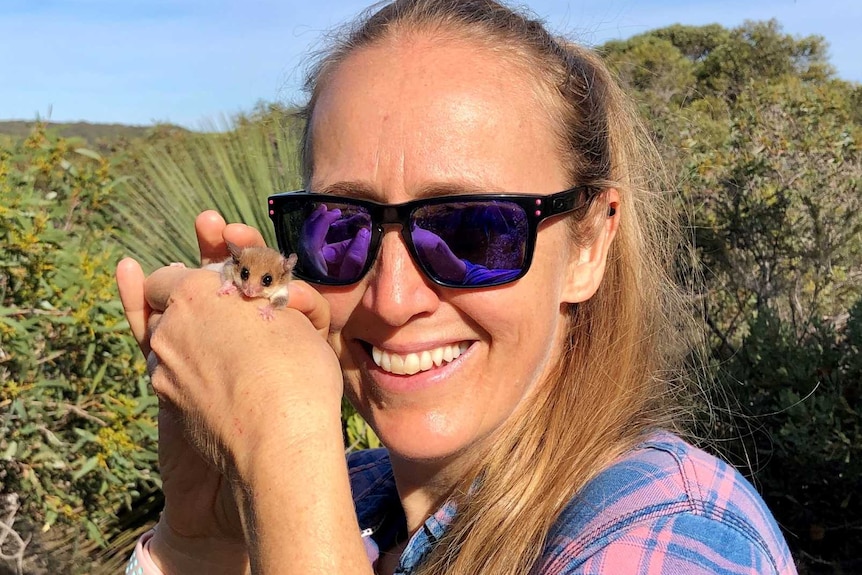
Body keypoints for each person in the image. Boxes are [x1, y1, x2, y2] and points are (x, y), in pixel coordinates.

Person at [115, 0, 798, 573]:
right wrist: (204, 542)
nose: (392, 297)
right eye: (341, 226)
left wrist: (283, 446)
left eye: (472, 231)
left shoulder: (672, 533)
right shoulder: (349, 494)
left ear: (589, 244)